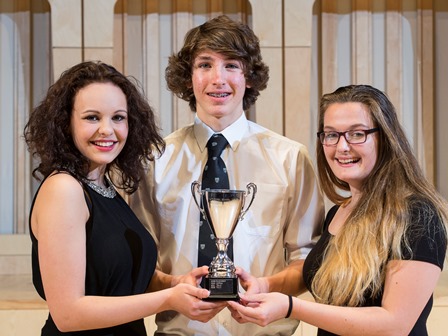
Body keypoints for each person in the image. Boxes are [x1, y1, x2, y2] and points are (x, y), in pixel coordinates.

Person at [128, 15, 324, 336]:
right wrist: (174, 287)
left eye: (231, 65)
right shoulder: (153, 161)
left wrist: (264, 286)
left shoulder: (291, 158)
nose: (218, 79)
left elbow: (308, 260)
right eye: (205, 65)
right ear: (188, 77)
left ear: (249, 77)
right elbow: (138, 263)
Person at [227, 84, 448, 335]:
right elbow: (324, 275)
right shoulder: (338, 212)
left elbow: (394, 324)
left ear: (386, 138)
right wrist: (264, 285)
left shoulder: (418, 215)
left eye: (357, 134)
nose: (342, 147)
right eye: (331, 135)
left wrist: (290, 307)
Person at [23, 61, 215, 336]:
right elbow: (68, 314)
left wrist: (175, 284)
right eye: (92, 117)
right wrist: (167, 300)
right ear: (65, 123)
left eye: (118, 117)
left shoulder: (103, 185)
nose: (107, 130)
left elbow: (121, 279)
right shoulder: (64, 189)